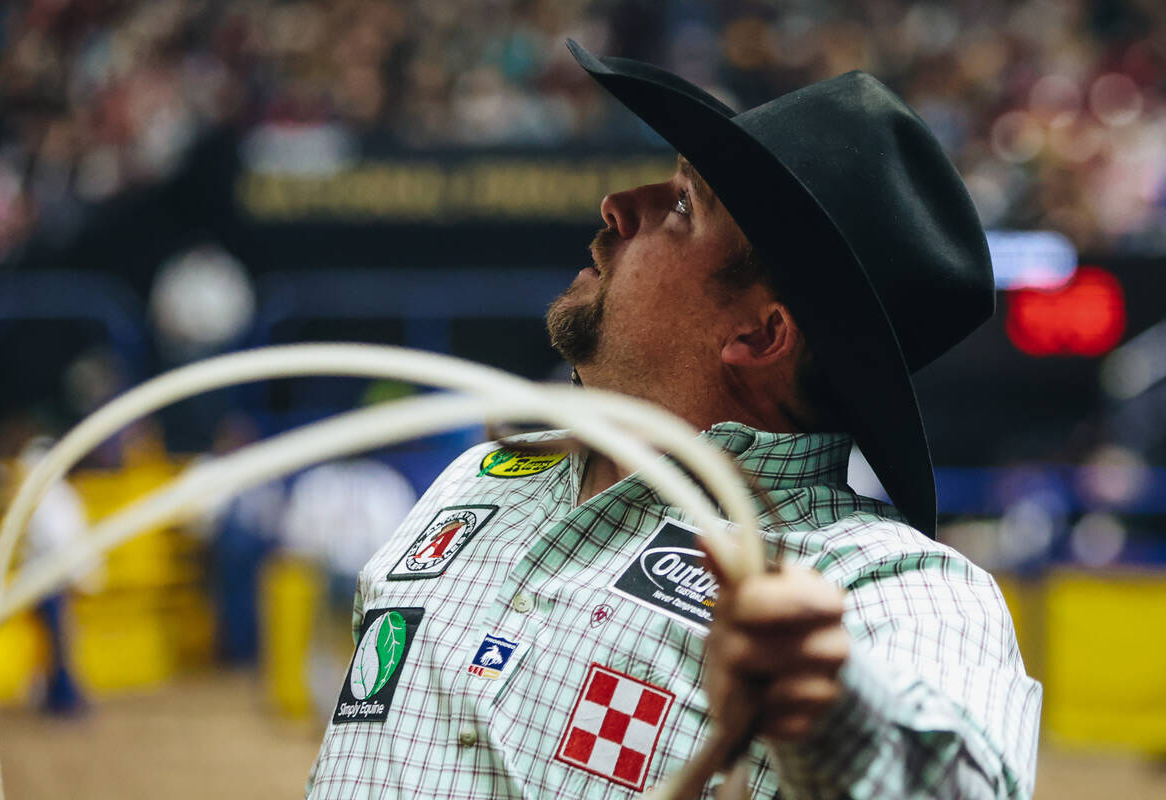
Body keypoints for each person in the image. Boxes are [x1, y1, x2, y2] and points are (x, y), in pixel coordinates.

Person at [306, 41, 1041, 799]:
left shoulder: (879, 584)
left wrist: (834, 709)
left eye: (687, 206)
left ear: (758, 334)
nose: (620, 205)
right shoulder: (480, 479)